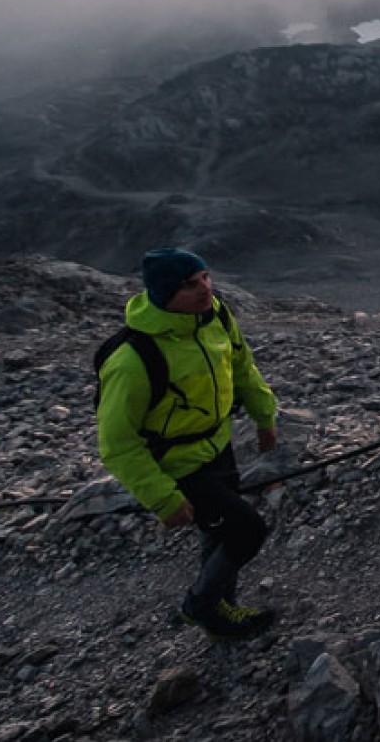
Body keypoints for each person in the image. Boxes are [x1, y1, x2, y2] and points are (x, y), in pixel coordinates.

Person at [96, 247, 283, 640]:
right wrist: (162, 498)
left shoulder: (215, 315)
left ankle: (221, 607)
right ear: (165, 294)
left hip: (217, 445)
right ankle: (202, 604)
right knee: (248, 529)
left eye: (205, 279)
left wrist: (264, 416)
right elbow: (117, 442)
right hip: (177, 464)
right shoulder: (132, 360)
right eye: (189, 286)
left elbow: (242, 365)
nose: (204, 290)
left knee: (218, 531)